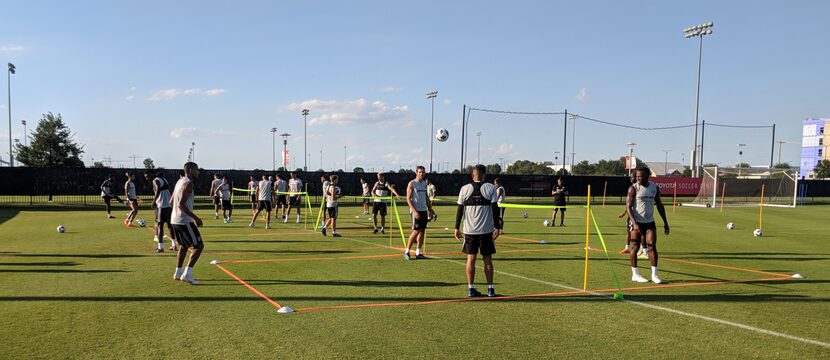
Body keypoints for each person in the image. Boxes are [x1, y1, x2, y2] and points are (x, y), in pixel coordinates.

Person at [454, 164, 502, 297]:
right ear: (484, 175)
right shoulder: (490, 188)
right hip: (486, 230)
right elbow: (495, 209)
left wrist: (456, 227)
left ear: (472, 175)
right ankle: (490, 289)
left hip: (469, 230)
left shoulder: (464, 189)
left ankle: (471, 288)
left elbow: (459, 210)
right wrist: (497, 227)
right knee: (487, 259)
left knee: (471, 259)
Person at [626, 167, 670, 284]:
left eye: (641, 176)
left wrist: (665, 222)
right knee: (635, 246)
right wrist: (634, 223)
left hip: (650, 222)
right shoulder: (633, 188)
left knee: (652, 246)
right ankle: (635, 274)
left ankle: (655, 275)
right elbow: (628, 207)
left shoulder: (654, 187)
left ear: (647, 176)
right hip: (636, 222)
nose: (638, 178)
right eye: (637, 176)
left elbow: (659, 205)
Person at [170, 161, 204, 285]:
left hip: (175, 220)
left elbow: (171, 202)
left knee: (184, 246)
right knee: (199, 246)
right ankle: (187, 274)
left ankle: (178, 272)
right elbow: (180, 204)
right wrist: (196, 218)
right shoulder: (188, 183)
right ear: (189, 169)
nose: (198, 172)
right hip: (184, 221)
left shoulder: (179, 181)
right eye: (196, 169)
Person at [403, 166, 435, 260]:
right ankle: (407, 252)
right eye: (420, 172)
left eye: (423, 172)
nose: (422, 174)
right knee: (415, 231)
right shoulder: (412, 183)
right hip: (416, 211)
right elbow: (408, 199)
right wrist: (414, 211)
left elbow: (426, 198)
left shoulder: (425, 184)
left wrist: (430, 209)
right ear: (416, 173)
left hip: (423, 211)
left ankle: (418, 253)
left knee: (422, 231)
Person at [145, 170, 176, 253]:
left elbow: (158, 189)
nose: (147, 178)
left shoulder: (155, 180)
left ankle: (160, 247)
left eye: (148, 176)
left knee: (160, 226)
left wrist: (154, 201)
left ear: (152, 174)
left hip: (161, 205)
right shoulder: (163, 179)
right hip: (168, 205)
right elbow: (170, 190)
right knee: (170, 226)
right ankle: (174, 245)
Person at [619, 172, 648, 258]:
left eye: (633, 177)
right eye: (630, 177)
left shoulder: (638, 188)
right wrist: (624, 213)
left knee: (638, 233)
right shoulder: (632, 187)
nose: (631, 179)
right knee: (629, 232)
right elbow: (628, 205)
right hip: (630, 215)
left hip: (636, 216)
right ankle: (628, 248)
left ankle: (643, 250)